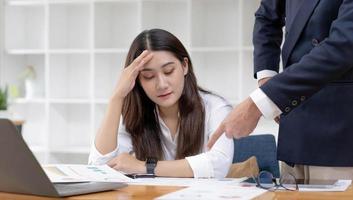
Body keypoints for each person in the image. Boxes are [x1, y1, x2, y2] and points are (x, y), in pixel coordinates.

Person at [208, 0, 353, 180]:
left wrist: (262, 101)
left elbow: (343, 46)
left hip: (339, 135)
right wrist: (266, 77)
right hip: (294, 132)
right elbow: (267, 16)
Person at [89, 29, 234, 178]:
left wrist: (143, 167)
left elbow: (218, 165)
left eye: (168, 71)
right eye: (148, 76)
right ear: (137, 80)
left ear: (185, 66)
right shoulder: (135, 115)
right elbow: (99, 167)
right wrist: (116, 97)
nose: (162, 84)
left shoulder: (216, 108)